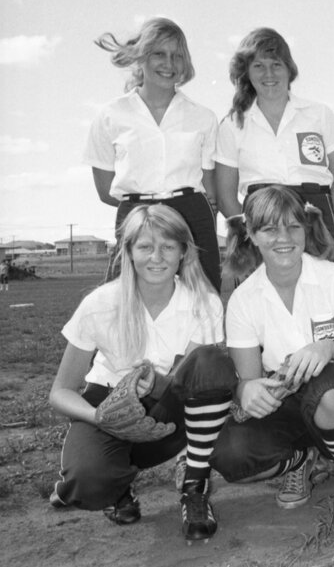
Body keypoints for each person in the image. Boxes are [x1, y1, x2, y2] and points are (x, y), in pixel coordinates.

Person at [48, 204, 237, 543]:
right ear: (129, 252)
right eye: (145, 246)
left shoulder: (203, 303)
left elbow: (200, 376)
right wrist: (101, 416)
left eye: (168, 246)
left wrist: (161, 383)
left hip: (169, 409)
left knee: (211, 362)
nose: (157, 257)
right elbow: (60, 391)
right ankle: (113, 484)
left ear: (183, 252)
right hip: (106, 404)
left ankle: (194, 486)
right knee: (89, 484)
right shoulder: (101, 303)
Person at [210, 186, 334, 531]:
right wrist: (246, 390)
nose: (284, 238)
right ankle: (301, 461)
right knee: (231, 455)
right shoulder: (244, 299)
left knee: (330, 387)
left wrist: (330, 348)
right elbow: (248, 383)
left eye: (293, 226)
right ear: (251, 234)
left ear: (305, 229)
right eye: (270, 229)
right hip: (291, 405)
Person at [86, 18, 222, 292]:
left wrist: (178, 211)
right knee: (124, 303)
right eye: (159, 53)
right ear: (142, 56)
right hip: (135, 216)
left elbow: (210, 190)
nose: (169, 64)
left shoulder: (204, 117)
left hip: (193, 218)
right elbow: (104, 190)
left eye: (177, 56)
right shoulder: (111, 115)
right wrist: (151, 211)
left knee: (204, 304)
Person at [215, 27, 334, 254]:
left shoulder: (319, 114)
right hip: (260, 222)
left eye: (276, 64)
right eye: (258, 66)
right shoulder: (232, 124)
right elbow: (225, 195)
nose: (269, 74)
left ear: (289, 69)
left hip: (314, 216)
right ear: (246, 72)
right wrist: (254, 233)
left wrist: (319, 224)